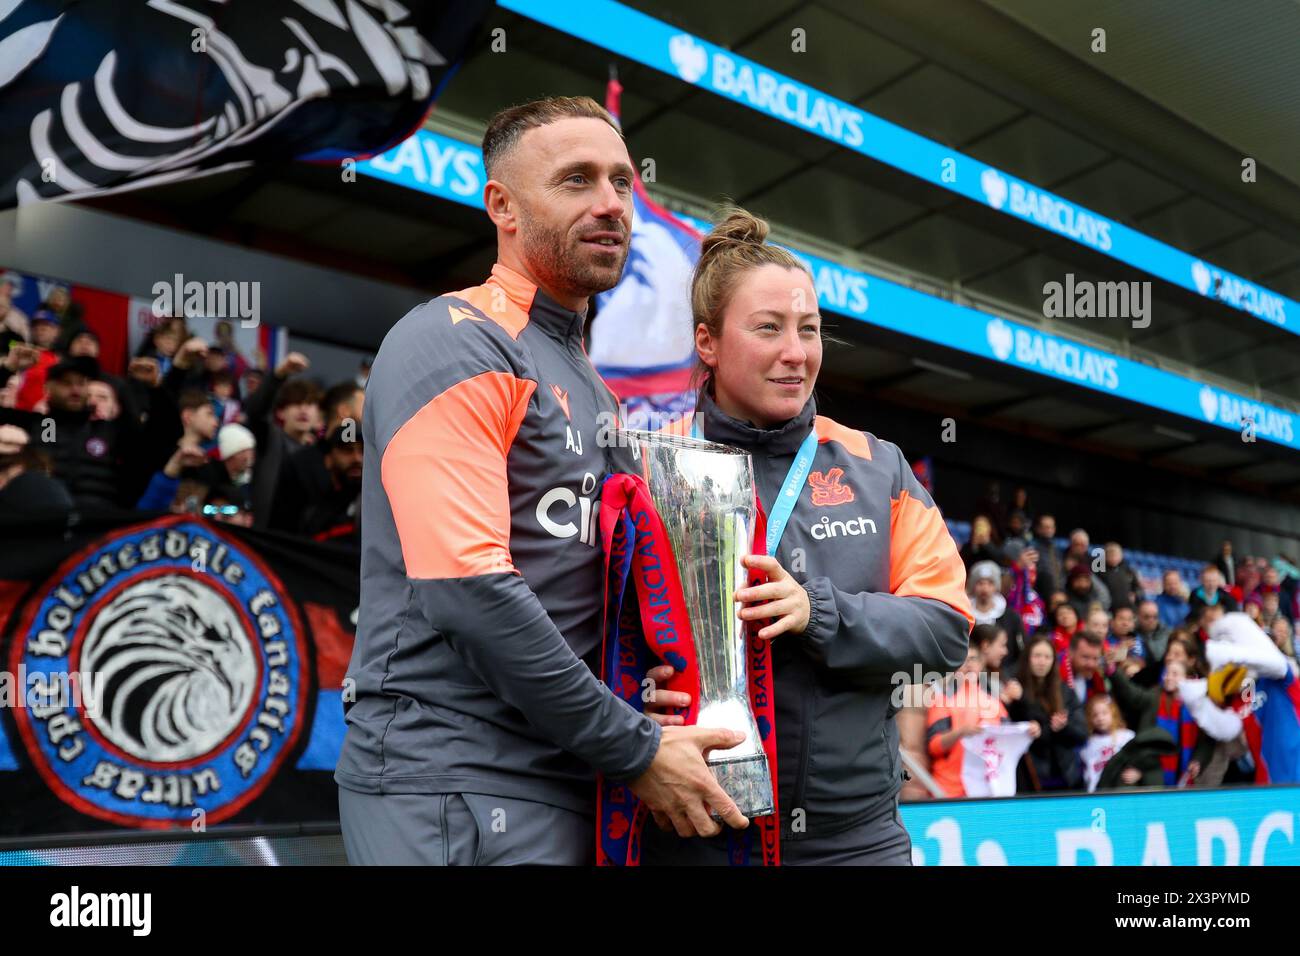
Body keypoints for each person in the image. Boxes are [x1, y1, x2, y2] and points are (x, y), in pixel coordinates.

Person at [336, 96, 746, 866]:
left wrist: (651, 685)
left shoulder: (590, 383)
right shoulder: (453, 340)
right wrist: (634, 744)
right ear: (504, 206)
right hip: (449, 776)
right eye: (576, 181)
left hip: (565, 776)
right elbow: (469, 587)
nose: (611, 205)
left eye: (622, 183)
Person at [641, 207, 972, 865]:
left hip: (855, 842)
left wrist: (817, 612)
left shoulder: (878, 466)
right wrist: (631, 702)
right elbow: (586, 637)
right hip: (694, 833)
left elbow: (946, 629)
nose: (796, 353)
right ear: (707, 342)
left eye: (810, 331)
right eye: (768, 329)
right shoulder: (649, 466)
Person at [925, 640, 1010, 798]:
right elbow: (934, 746)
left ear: (981, 665)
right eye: (963, 660)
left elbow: (1010, 742)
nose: (969, 664)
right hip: (949, 790)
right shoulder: (942, 700)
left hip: (988, 790)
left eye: (973, 659)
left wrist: (1030, 731)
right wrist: (960, 733)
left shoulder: (994, 703)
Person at [1008, 636, 1086, 791]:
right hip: (1029, 776)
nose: (1042, 661)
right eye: (1037, 656)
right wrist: (1020, 700)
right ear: (1027, 658)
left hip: (1066, 775)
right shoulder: (1016, 690)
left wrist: (1064, 727)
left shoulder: (1065, 691)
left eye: (1047, 657)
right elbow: (1023, 730)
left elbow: (1082, 734)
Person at [1080, 695, 1134, 792]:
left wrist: (1137, 772)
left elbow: (1139, 760)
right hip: (1099, 792)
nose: (1100, 718)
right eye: (1095, 715)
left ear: (1113, 714)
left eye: (1104, 713)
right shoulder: (1088, 743)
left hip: (1122, 789)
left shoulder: (1127, 736)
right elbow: (1089, 774)